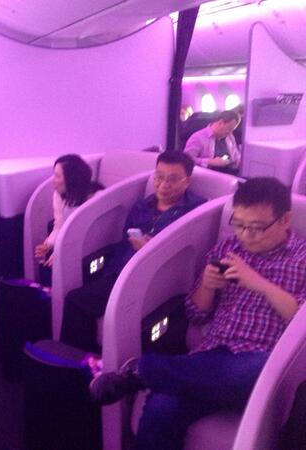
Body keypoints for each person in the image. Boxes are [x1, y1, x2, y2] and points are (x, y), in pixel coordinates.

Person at [89, 177, 306, 450]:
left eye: (256, 228)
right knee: (162, 406)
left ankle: (142, 370)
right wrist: (207, 286)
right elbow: (196, 314)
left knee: (259, 368)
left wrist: (258, 283)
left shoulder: (302, 258)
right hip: (211, 357)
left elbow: (301, 325)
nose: (245, 235)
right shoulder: (227, 249)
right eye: (239, 225)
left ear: (284, 220)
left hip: (263, 361)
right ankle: (149, 373)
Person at [60, 151, 205, 351]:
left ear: (187, 181)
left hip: (156, 281)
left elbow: (186, 260)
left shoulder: (194, 213)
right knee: (76, 299)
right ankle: (84, 358)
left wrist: (150, 251)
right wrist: (109, 278)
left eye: (172, 179)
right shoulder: (141, 206)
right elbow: (122, 247)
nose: (163, 185)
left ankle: (77, 362)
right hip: (124, 273)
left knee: (76, 302)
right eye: (159, 177)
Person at [34, 154, 103, 272]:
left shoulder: (96, 198)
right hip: (70, 242)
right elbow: (59, 226)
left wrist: (61, 254)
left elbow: (92, 237)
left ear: (71, 180)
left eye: (57, 176)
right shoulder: (59, 195)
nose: (53, 181)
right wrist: (48, 245)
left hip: (91, 248)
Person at [183, 110, 241, 174]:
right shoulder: (198, 137)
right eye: (229, 128)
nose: (230, 133)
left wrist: (239, 160)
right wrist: (210, 162)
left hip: (231, 172)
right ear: (221, 123)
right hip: (209, 174)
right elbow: (187, 161)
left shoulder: (230, 137)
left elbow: (236, 154)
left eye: (232, 130)